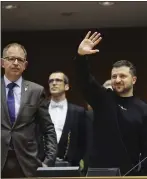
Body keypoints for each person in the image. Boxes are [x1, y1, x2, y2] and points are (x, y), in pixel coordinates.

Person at [74, 31, 147, 176]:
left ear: (134, 80)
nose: (117, 80)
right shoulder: (102, 99)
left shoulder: (145, 110)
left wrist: (142, 175)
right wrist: (81, 57)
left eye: (122, 76)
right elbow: (85, 81)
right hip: (99, 172)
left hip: (130, 174)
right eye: (114, 76)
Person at [1, 43, 57, 177]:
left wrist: (48, 162)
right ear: (2, 63)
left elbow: (48, 128)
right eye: (11, 59)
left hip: (27, 163)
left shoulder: (36, 91)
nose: (15, 63)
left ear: (25, 65)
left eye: (20, 60)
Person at [46, 71, 93, 169]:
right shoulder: (41, 109)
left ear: (66, 86)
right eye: (51, 81)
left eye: (58, 80)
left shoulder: (79, 112)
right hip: (43, 165)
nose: (54, 83)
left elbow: (84, 140)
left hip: (72, 166)